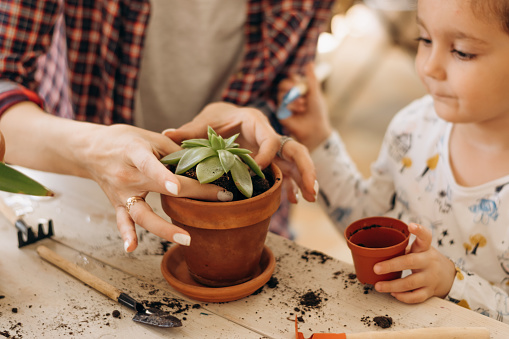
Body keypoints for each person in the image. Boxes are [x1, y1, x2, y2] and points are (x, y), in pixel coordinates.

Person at [0, 1, 325, 254]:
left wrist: (268, 117)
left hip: (246, 227)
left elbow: (288, 88)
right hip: (89, 207)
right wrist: (91, 148)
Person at [278, 0, 509, 323]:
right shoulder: (412, 127)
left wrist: (453, 284)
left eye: (462, 51)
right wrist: (318, 138)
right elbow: (369, 226)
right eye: (424, 40)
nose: (429, 66)